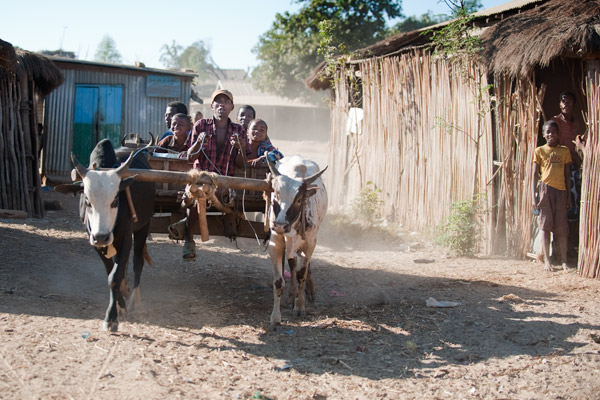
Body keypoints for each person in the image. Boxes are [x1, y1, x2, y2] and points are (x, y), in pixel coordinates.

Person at [169, 89, 247, 261]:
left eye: (226, 102)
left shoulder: (238, 130)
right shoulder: (200, 125)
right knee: (199, 191)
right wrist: (198, 142)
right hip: (199, 178)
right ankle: (189, 240)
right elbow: (190, 157)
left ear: (231, 107)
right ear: (212, 106)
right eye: (218, 102)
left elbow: (241, 163)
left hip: (225, 181)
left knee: (204, 193)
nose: (222, 105)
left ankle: (186, 227)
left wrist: (240, 147)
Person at [532, 120, 572, 272]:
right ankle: (547, 260)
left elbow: (567, 175)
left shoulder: (564, 151)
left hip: (561, 191)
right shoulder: (539, 151)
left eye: (554, 131)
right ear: (543, 135)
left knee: (562, 229)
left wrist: (568, 195)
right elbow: (535, 175)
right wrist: (533, 197)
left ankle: (563, 261)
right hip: (545, 190)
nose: (551, 134)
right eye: (548, 132)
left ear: (558, 134)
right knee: (545, 226)